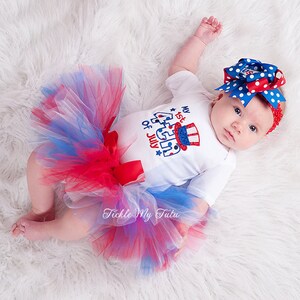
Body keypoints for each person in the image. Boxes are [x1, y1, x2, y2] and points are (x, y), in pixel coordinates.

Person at [11, 16, 286, 274]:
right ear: (220, 97)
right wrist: (199, 41)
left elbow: (201, 199)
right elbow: (181, 69)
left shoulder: (223, 159)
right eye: (238, 110)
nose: (239, 126)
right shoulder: (196, 95)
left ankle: (52, 229)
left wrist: (182, 226)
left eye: (253, 128)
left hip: (124, 190)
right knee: (42, 158)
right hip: (98, 147)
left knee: (83, 220)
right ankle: (41, 209)